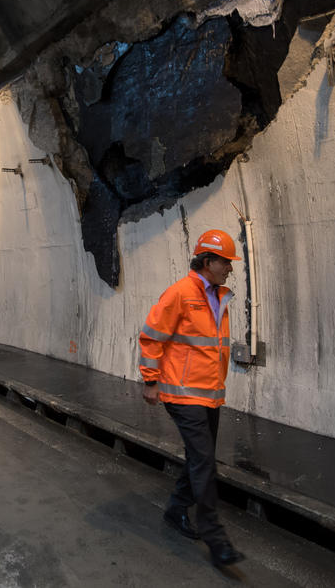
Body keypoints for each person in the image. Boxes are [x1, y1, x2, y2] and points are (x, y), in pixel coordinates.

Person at [139, 229, 245, 568]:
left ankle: (174, 509)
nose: (230, 268)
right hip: (181, 394)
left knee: (202, 458)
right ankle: (216, 540)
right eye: (226, 262)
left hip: (208, 394)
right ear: (208, 261)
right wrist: (151, 380)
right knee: (203, 461)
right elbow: (152, 336)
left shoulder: (218, 296)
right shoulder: (181, 293)